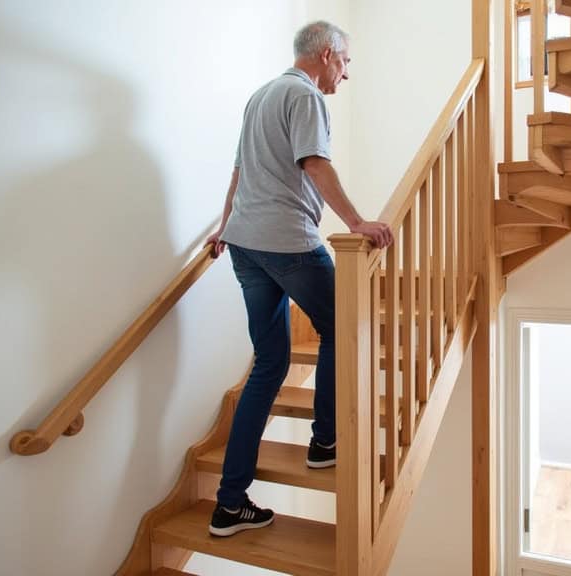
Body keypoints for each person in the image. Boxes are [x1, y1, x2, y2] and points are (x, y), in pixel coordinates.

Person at [203, 21, 393, 537]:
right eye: (345, 63)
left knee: (269, 363)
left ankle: (229, 504)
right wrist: (357, 223)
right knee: (342, 323)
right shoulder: (305, 95)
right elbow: (314, 163)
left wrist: (225, 227)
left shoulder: (261, 95)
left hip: (246, 245)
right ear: (327, 54)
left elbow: (239, 172)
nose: (345, 75)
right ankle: (325, 441)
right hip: (286, 241)